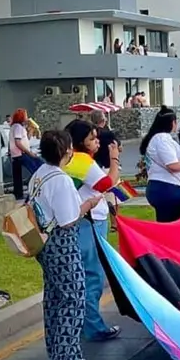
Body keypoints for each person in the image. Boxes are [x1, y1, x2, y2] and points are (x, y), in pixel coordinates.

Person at [29, 130, 105, 360]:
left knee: (54, 300)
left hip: (46, 245)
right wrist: (89, 205)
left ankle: (64, 355)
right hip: (63, 245)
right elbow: (69, 219)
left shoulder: (39, 175)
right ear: (65, 152)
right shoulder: (60, 180)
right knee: (72, 301)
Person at [63, 120, 122, 342]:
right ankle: (94, 327)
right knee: (92, 275)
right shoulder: (83, 162)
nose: (97, 142)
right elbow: (107, 183)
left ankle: (80, 324)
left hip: (73, 221)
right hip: (90, 222)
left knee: (78, 275)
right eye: (92, 138)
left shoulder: (68, 160)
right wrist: (114, 158)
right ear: (81, 142)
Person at [140, 107, 180, 222]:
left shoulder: (158, 139)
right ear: (173, 123)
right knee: (172, 226)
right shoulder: (162, 139)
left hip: (166, 188)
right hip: (169, 189)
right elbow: (172, 165)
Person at [9, 108, 42, 200]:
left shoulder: (16, 127)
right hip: (21, 154)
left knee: (17, 176)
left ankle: (18, 194)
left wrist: (30, 131)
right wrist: (29, 153)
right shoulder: (18, 127)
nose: (27, 118)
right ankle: (36, 189)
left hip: (16, 155)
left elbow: (24, 139)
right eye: (25, 115)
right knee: (36, 169)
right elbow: (18, 142)